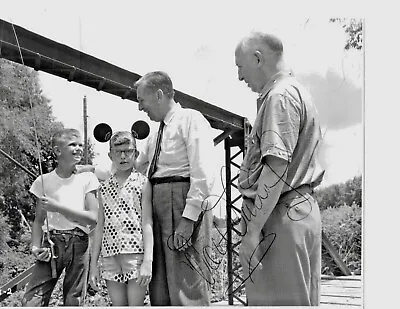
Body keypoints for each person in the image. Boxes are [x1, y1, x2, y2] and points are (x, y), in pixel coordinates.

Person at [235, 32, 325, 306]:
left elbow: (276, 166)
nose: (240, 76)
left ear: (258, 58)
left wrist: (252, 233)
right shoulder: (296, 91)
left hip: (279, 216)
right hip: (296, 210)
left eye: (240, 66)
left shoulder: (279, 96)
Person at [134, 71, 215, 306]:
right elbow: (137, 168)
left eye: (142, 100)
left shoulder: (191, 119)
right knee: (160, 286)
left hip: (181, 202)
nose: (140, 108)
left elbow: (203, 174)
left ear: (159, 95)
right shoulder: (155, 134)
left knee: (187, 284)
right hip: (157, 205)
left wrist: (188, 219)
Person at [21, 128, 100, 306]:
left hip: (79, 242)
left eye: (81, 145)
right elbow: (38, 221)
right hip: (51, 244)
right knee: (32, 300)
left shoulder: (88, 178)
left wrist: (57, 207)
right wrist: (35, 247)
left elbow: (92, 218)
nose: (79, 148)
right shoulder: (43, 181)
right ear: (58, 151)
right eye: (73, 144)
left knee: (74, 299)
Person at [89, 131, 153, 306]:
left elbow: (147, 223)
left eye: (128, 151)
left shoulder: (143, 183)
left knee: (135, 305)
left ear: (136, 154)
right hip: (110, 256)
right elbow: (99, 227)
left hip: (135, 255)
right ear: (110, 155)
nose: (123, 156)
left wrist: (148, 260)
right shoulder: (103, 187)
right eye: (118, 152)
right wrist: (93, 265)